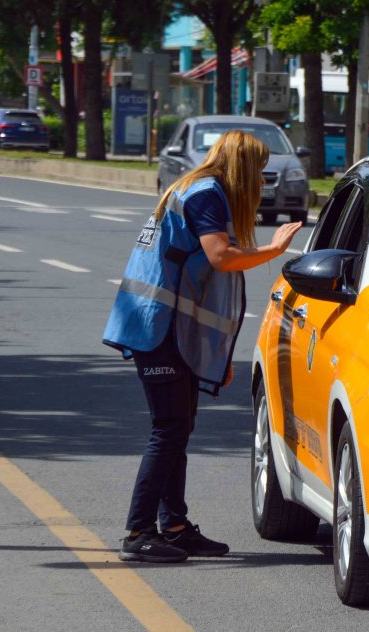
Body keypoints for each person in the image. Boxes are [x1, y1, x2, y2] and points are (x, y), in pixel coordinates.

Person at [103, 130, 302, 563]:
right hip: (158, 329)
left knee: (178, 428)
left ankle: (173, 525)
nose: (263, 183)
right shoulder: (207, 194)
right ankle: (138, 532)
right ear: (244, 168)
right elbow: (221, 257)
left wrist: (215, 354)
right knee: (169, 429)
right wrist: (272, 249)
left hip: (168, 330)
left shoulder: (195, 187)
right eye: (260, 172)